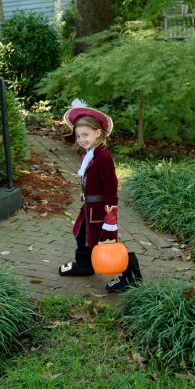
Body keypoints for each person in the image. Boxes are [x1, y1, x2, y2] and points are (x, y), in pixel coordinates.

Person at [57, 99, 143, 293]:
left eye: (85, 135)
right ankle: (85, 266)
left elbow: (111, 190)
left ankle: (132, 276)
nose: (81, 139)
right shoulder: (90, 153)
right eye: (79, 136)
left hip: (100, 210)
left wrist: (110, 220)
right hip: (89, 207)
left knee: (107, 241)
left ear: (98, 133)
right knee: (81, 234)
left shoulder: (104, 157)